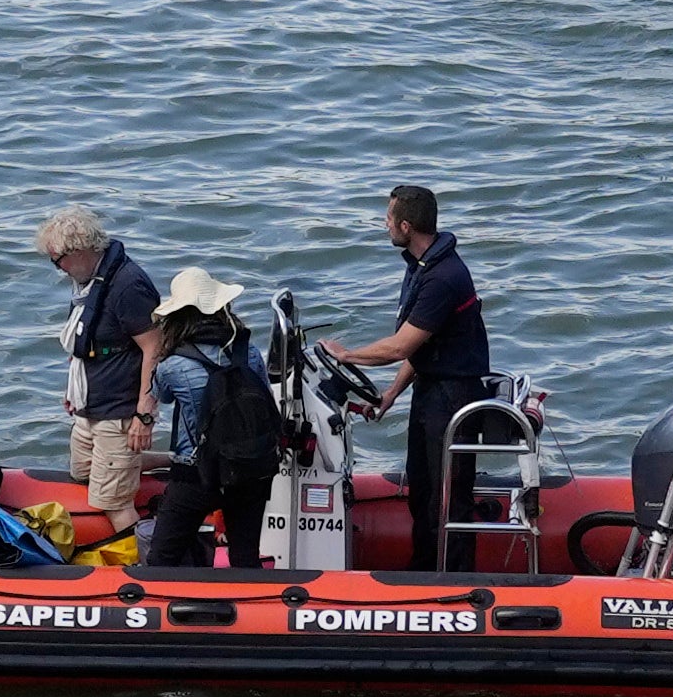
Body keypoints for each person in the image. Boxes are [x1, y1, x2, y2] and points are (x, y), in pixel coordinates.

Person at [323, 181, 497, 574]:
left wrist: (348, 355)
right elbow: (422, 347)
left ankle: (453, 579)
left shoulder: (443, 277)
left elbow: (401, 346)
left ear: (405, 226)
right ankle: (422, 570)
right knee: (422, 492)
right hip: (430, 389)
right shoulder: (423, 267)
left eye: (388, 218)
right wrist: (390, 394)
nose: (383, 225)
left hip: (453, 396)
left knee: (446, 497)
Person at [137, 271, 286, 572]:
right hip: (250, 469)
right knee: (245, 556)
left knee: (161, 559)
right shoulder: (249, 353)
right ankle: (251, 612)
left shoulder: (173, 366)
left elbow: (160, 397)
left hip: (196, 474)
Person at [35, 207, 162, 536]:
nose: (57, 270)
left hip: (118, 408)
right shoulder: (88, 283)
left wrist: (143, 416)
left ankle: (147, 568)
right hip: (90, 403)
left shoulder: (127, 286)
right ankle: (170, 461)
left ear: (78, 252)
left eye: (57, 260)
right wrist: (72, 389)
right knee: (82, 474)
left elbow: (155, 347)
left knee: (113, 502)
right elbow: (84, 341)